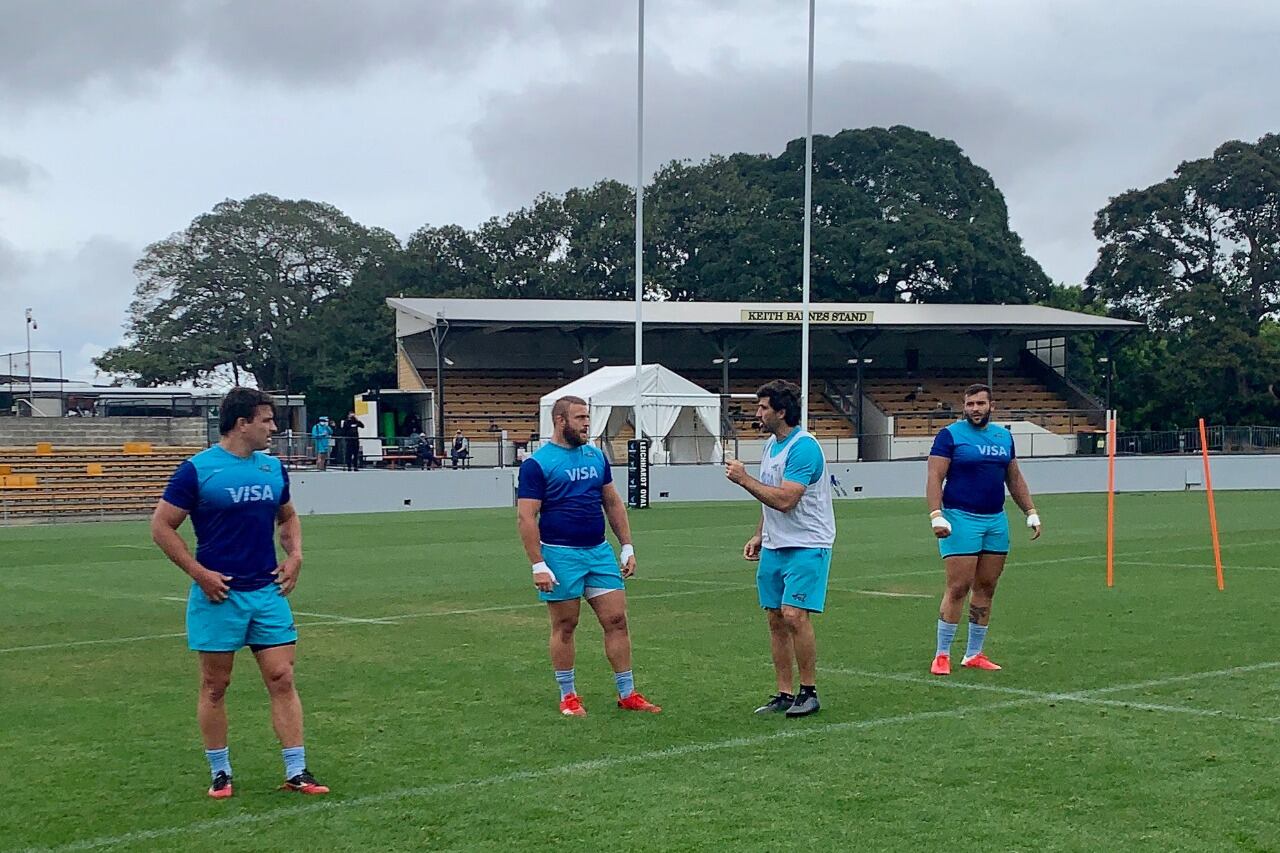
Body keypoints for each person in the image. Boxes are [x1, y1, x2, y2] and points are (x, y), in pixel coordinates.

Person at [150, 387, 328, 799]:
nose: (273, 427)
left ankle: (297, 770)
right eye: (266, 420)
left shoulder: (272, 469)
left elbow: (288, 516)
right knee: (215, 685)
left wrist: (296, 555)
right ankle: (220, 772)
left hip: (267, 593)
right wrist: (199, 573)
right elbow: (161, 526)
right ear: (242, 423)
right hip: (219, 597)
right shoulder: (197, 470)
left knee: (282, 677)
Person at [517, 395, 661, 717]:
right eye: (580, 418)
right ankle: (568, 696)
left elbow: (611, 502)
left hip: (598, 552)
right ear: (560, 421)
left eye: (588, 418)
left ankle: (627, 694)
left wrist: (627, 546)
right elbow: (527, 517)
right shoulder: (536, 464)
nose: (587, 424)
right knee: (566, 625)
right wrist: (538, 564)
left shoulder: (596, 457)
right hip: (560, 555)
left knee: (616, 620)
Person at [725, 380, 835, 718]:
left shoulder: (803, 448)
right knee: (774, 617)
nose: (757, 414)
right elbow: (769, 498)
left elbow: (786, 500)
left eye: (763, 408)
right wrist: (759, 534)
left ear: (782, 412)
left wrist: (743, 479)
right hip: (776, 544)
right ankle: (785, 693)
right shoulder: (772, 446)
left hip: (807, 542)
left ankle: (809, 691)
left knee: (793, 615)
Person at [926, 383, 1042, 676]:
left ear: (992, 406)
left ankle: (974, 653)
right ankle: (942, 654)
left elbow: (1014, 477)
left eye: (980, 404)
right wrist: (936, 515)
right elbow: (934, 476)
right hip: (960, 518)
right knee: (958, 587)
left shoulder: (1004, 437)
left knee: (987, 587)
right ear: (963, 407)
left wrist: (1030, 511)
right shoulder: (949, 436)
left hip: (995, 520)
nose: (974, 409)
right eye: (969, 404)